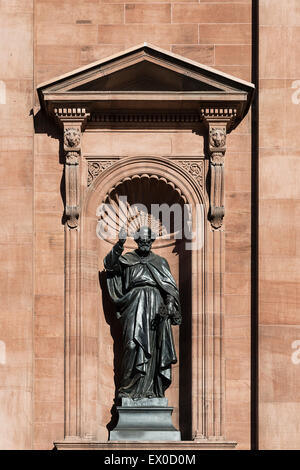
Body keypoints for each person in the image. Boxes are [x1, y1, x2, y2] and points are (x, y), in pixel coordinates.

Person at [104, 226, 181, 400]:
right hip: (133, 303)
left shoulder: (160, 262)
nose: (145, 243)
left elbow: (170, 290)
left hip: (155, 308)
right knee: (132, 345)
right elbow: (109, 265)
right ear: (137, 241)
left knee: (154, 349)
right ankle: (128, 390)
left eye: (148, 240)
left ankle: (152, 391)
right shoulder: (127, 259)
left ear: (152, 241)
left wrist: (169, 305)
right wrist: (120, 244)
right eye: (141, 240)